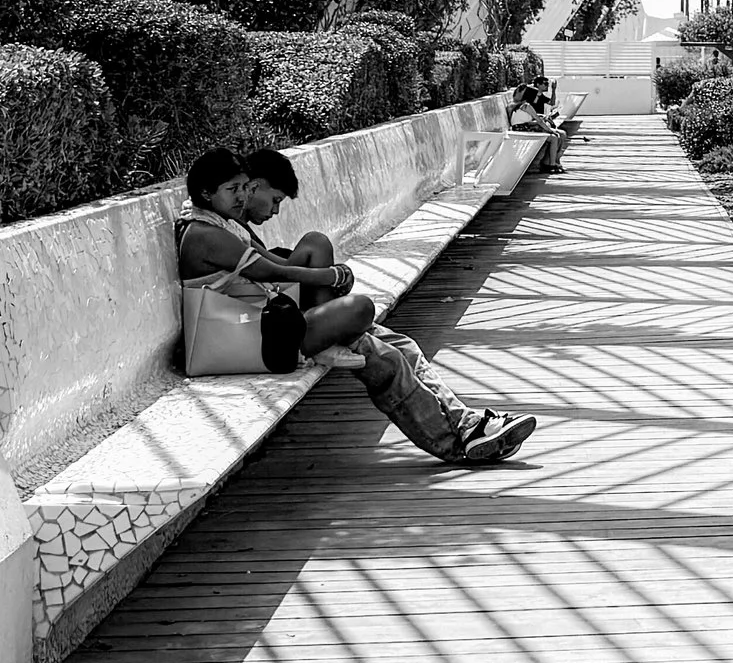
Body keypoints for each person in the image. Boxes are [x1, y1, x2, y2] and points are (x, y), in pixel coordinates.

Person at [177, 145, 536, 468]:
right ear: (207, 193)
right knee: (372, 334)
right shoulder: (207, 235)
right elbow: (270, 269)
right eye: (234, 190)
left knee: (400, 345)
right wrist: (333, 277)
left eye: (243, 188)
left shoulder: (221, 225)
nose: (242, 197)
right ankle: (453, 444)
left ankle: (466, 423)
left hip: (264, 329)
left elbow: (272, 270)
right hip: (253, 341)